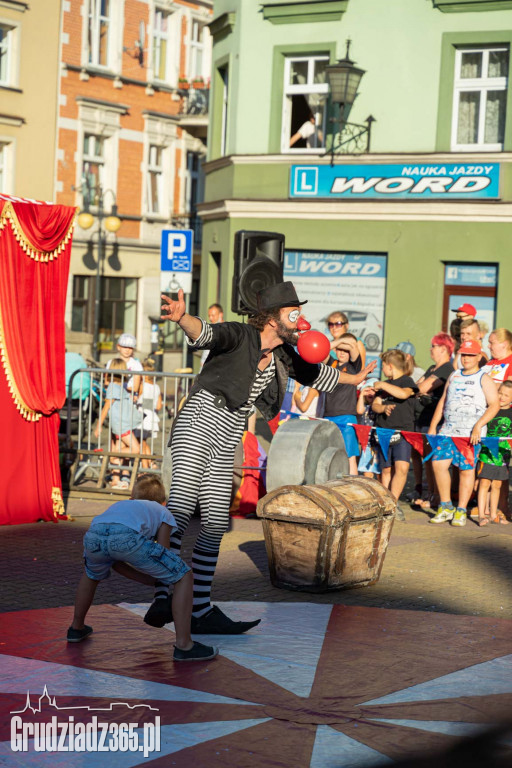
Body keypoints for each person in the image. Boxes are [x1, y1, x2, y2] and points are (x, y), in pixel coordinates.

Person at [160, 281, 376, 634]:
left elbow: (318, 374)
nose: (300, 319)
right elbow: (207, 333)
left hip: (227, 432)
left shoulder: (285, 354)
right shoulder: (241, 334)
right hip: (200, 418)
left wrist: (355, 379)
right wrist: (183, 318)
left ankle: (199, 611)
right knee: (182, 506)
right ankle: (160, 592)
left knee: (215, 523)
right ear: (274, 318)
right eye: (294, 313)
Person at [67, 474, 218, 662]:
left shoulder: (120, 505)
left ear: (132, 498)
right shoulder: (162, 511)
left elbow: (114, 561)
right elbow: (163, 553)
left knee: (91, 575)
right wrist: (161, 575)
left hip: (94, 535)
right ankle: (184, 645)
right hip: (126, 538)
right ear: (163, 502)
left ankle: (76, 628)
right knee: (183, 575)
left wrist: (146, 579)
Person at [428, 340, 499, 527]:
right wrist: (434, 425)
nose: (466, 358)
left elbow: (495, 405)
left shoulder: (484, 378)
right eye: (463, 354)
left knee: (466, 470)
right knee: (438, 464)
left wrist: (478, 426)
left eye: (470, 355)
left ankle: (461, 509)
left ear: (478, 356)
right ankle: (446, 506)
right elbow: (443, 401)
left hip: (470, 434)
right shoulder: (454, 375)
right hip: (448, 430)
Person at [413, 333, 456, 509]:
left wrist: (421, 391)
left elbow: (421, 387)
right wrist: (420, 391)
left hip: (436, 421)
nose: (430, 349)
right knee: (427, 461)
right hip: (423, 418)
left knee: (435, 461)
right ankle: (431, 494)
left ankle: (437, 496)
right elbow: (416, 387)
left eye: (433, 346)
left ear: (443, 349)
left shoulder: (446, 369)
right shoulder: (432, 367)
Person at [372, 349, 418, 503]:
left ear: (390, 366)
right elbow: (375, 405)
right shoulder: (384, 386)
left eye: (383, 366)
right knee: (385, 469)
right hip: (384, 432)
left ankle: (393, 501)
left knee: (402, 468)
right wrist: (383, 408)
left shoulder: (407, 381)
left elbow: (403, 394)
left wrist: (383, 385)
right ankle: (385, 500)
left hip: (403, 433)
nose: (382, 369)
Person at [95, 359, 142, 488]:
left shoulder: (117, 386)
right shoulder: (114, 387)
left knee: (120, 448)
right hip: (121, 424)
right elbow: (106, 407)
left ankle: (116, 479)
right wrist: (98, 426)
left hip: (123, 423)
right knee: (136, 449)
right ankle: (112, 457)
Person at [323, 333, 362, 475]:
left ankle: (353, 488)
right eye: (339, 349)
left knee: (349, 456)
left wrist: (345, 342)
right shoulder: (331, 363)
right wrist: (338, 342)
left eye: (345, 350)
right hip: (328, 417)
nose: (342, 352)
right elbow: (324, 348)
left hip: (346, 418)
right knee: (330, 456)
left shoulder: (353, 366)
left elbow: (353, 347)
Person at [476, 382, 512, 526]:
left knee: (497, 485)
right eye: (500, 393)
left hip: (503, 455)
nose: (502, 397)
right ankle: (481, 515)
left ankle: (493, 514)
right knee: (484, 483)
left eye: (506, 395)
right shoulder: (490, 409)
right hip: (487, 452)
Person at [134, 357, 163, 469]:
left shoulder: (141, 386)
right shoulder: (156, 387)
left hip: (142, 417)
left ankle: (145, 467)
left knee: (140, 443)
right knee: (143, 442)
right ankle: (151, 462)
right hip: (151, 417)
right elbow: (159, 405)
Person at [356, 378, 381, 478]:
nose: (370, 393)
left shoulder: (380, 405)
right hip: (367, 443)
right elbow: (359, 411)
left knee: (380, 472)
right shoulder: (364, 407)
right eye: (367, 390)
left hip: (379, 442)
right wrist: (362, 395)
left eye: (373, 390)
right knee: (367, 472)